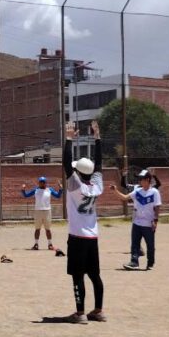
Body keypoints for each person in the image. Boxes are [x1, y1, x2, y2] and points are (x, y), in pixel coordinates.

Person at [62, 120, 106, 324]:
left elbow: (65, 164)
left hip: (77, 237)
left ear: (79, 172)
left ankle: (80, 314)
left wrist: (69, 139)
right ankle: (98, 310)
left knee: (77, 276)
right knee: (95, 275)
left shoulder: (75, 185)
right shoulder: (96, 186)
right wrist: (97, 138)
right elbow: (98, 164)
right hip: (92, 236)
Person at [110, 169, 162, 270]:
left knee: (150, 245)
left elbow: (157, 207)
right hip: (137, 223)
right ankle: (134, 262)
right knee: (135, 244)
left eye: (141, 179)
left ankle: (150, 263)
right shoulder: (137, 191)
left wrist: (155, 221)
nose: (139, 181)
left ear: (147, 180)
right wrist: (115, 190)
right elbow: (125, 197)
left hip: (148, 224)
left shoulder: (154, 192)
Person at [21, 176, 62, 250]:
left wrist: (60, 189)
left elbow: (58, 196)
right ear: (39, 183)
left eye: (44, 182)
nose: (42, 183)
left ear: (46, 183)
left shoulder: (49, 190)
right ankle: (36, 244)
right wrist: (23, 189)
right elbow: (26, 195)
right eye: (41, 182)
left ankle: (50, 244)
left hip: (47, 211)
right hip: (38, 211)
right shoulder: (35, 190)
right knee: (37, 229)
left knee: (48, 229)